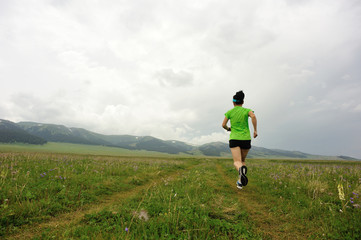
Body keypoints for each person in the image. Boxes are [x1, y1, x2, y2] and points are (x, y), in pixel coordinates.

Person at [222, 90, 258, 190]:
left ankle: (240, 173)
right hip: (246, 139)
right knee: (242, 161)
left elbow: (223, 125)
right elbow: (253, 116)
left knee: (237, 162)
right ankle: (240, 182)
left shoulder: (229, 112)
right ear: (243, 102)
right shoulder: (247, 110)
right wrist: (255, 130)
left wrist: (229, 129)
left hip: (234, 138)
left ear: (233, 102)